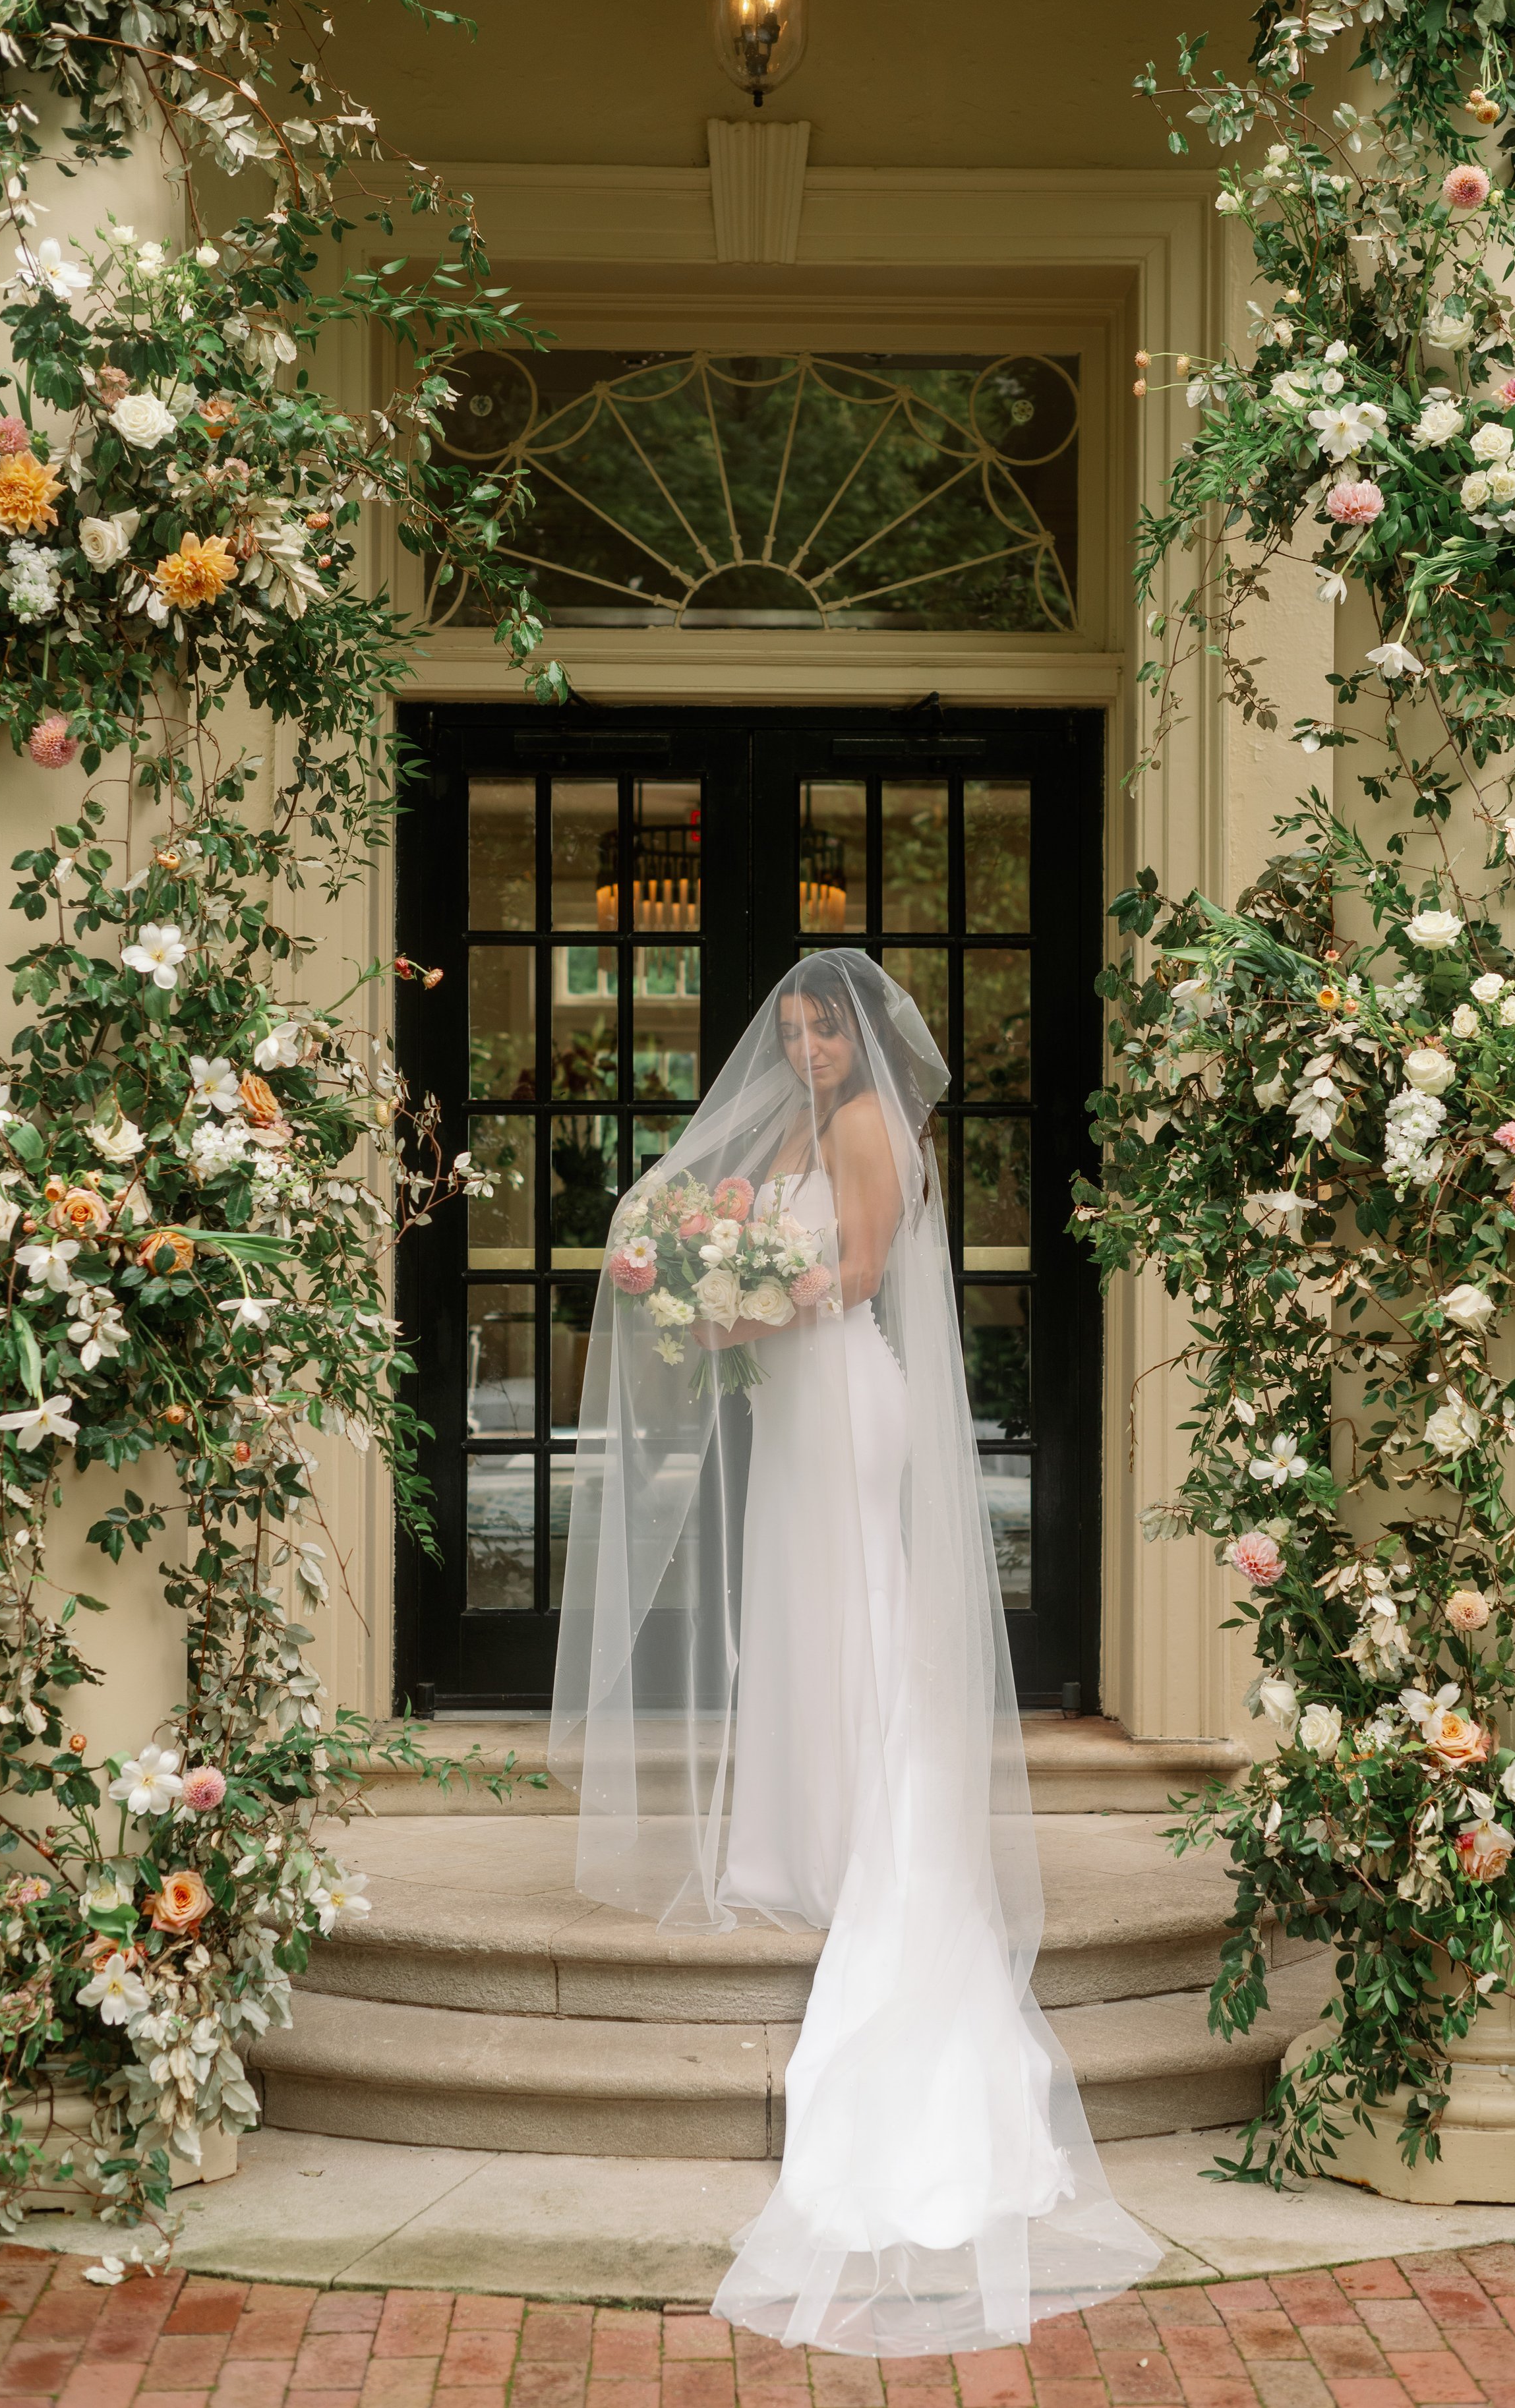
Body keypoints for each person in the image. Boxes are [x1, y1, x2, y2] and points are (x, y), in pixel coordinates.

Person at [550, 951, 1157, 2356]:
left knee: (853, 1613)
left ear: (868, 1038)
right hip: (791, 1411)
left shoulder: (875, 1130)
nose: (810, 1044)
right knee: (798, 1617)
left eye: (829, 1026)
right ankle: (800, 1838)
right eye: (796, 1026)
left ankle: (866, 1842)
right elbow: (740, 1236)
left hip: (844, 1397)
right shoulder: (782, 1126)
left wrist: (734, 1303)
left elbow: (860, 1271)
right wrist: (689, 1275)